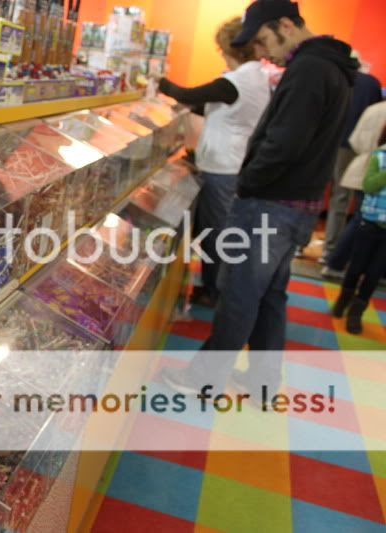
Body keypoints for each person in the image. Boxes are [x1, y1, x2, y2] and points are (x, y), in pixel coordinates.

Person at [162, 0, 359, 395]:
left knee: (239, 293)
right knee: (270, 295)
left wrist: (247, 182)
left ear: (285, 24)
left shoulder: (309, 69)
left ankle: (204, 380)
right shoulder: (332, 66)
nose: (264, 53)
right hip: (299, 204)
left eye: (264, 40)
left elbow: (283, 144)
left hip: (271, 203)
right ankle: (262, 380)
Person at [156, 17, 270, 307]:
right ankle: (213, 286)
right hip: (228, 164)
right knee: (216, 230)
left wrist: (158, 81)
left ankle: (214, 290)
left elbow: (189, 94)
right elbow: (211, 107)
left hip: (223, 168)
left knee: (216, 233)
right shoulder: (254, 78)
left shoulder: (236, 81)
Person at [322, 61, 382, 264]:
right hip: (351, 150)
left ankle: (301, 245)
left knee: (316, 193)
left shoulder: (332, 77)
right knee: (342, 199)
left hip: (325, 141)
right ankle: (330, 251)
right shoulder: (371, 85)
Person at [331, 125, 386, 334]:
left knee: (374, 273)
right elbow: (369, 185)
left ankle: (357, 312)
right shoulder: (378, 157)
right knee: (356, 266)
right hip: (369, 223)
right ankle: (343, 299)